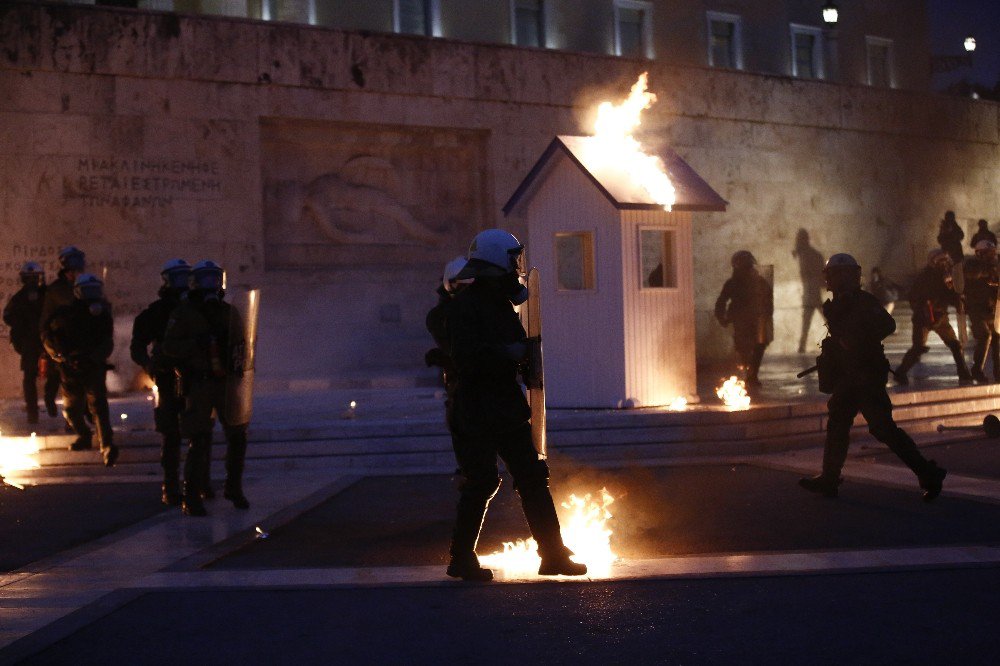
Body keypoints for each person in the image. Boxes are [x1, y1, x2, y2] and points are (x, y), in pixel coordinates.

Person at [444, 229, 586, 581]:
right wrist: (504, 354)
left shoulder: (495, 302)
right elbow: (464, 358)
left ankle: (551, 554)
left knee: (530, 478)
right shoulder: (467, 306)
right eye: (512, 260)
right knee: (483, 482)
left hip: (499, 406)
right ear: (498, 262)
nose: (516, 267)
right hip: (480, 408)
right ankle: (462, 559)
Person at [799, 253, 946, 501]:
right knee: (838, 424)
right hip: (848, 376)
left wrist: (859, 340)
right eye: (833, 275)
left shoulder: (863, 301)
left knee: (882, 428)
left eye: (838, 275)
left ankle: (928, 472)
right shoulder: (837, 304)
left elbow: (887, 326)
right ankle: (829, 478)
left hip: (866, 375)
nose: (834, 280)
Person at [162, 260, 249, 517]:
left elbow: (244, 342)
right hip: (199, 383)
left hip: (226, 382)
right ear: (194, 283)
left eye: (215, 278)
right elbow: (169, 347)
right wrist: (195, 344)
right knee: (198, 439)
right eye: (205, 279)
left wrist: (238, 359)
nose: (211, 284)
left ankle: (234, 487)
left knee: (237, 435)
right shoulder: (184, 313)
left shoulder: (229, 311)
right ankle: (192, 496)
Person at [131, 259, 192, 506]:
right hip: (167, 376)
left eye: (185, 277)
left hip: (195, 375)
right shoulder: (155, 312)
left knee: (199, 431)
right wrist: (149, 365)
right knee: (171, 433)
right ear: (167, 280)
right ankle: (171, 485)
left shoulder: (197, 307)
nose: (183, 282)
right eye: (178, 278)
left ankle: (199, 483)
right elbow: (137, 346)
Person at [41, 274, 119, 467]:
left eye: (95, 290)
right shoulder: (64, 314)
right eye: (88, 290)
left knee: (99, 406)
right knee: (72, 410)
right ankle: (85, 435)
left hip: (92, 367)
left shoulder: (101, 315)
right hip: (70, 369)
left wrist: (93, 357)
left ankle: (107, 445)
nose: (93, 295)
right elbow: (48, 335)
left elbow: (106, 341)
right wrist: (60, 356)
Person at [895, 249, 973, 385]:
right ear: (933, 262)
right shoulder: (924, 277)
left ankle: (964, 373)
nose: (943, 264)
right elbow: (913, 296)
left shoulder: (947, 277)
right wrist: (923, 306)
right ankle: (901, 372)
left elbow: (951, 296)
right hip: (923, 318)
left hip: (941, 317)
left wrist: (958, 298)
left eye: (945, 261)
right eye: (940, 261)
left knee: (955, 345)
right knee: (918, 348)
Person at [40, 246, 88, 441]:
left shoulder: (87, 286)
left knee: (86, 388)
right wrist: (52, 350)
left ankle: (84, 420)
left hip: (85, 345)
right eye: (73, 270)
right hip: (64, 347)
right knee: (70, 390)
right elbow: (45, 323)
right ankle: (74, 423)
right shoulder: (56, 291)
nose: (76, 274)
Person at [714, 250, 773, 393]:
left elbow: (767, 300)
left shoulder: (759, 281)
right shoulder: (734, 283)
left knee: (757, 346)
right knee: (745, 348)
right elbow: (721, 301)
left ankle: (752, 375)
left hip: (756, 319)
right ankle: (750, 374)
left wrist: (766, 316)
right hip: (742, 320)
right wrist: (722, 317)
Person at [3, 262, 48, 424]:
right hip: (31, 342)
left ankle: (61, 411)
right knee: (29, 378)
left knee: (58, 377)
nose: (32, 282)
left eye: (34, 278)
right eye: (29, 279)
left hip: (48, 340)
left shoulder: (46, 295)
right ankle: (32, 412)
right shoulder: (19, 298)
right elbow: (8, 316)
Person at [963, 240, 999, 383]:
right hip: (976, 308)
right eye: (988, 253)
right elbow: (972, 275)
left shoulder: (994, 266)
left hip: (992, 309)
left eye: (992, 252)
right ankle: (977, 370)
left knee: (997, 341)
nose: (992, 255)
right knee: (984, 337)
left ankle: (998, 372)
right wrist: (987, 270)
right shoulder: (972, 264)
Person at [792, 229, 825, 353]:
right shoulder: (809, 253)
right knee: (811, 319)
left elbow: (809, 273)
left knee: (806, 321)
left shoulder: (806, 254)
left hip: (810, 291)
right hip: (812, 291)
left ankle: (802, 347)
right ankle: (840, 341)